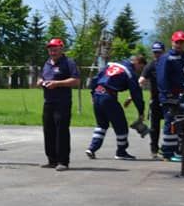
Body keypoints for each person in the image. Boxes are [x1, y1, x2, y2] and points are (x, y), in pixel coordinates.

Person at [84, 58, 145, 160]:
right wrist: (141, 111)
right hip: (108, 97)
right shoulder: (129, 72)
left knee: (101, 125)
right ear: (137, 63)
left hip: (98, 94)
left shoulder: (112, 65)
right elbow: (136, 93)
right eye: (141, 67)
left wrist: (92, 93)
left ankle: (92, 148)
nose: (140, 70)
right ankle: (121, 152)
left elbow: (96, 77)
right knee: (121, 125)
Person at [36, 38, 80, 171]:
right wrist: (40, 81)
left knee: (61, 131)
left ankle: (63, 161)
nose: (52, 51)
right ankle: (52, 159)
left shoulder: (69, 62)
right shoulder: (47, 63)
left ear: (61, 49)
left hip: (62, 102)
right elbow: (41, 76)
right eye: (50, 49)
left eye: (55, 49)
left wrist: (57, 84)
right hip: (48, 101)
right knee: (48, 130)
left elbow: (76, 80)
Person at [156, 31, 184, 160]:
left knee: (179, 122)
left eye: (181, 42)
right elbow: (162, 78)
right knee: (170, 122)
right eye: (177, 42)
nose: (179, 44)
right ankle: (167, 152)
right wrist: (168, 94)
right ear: (172, 42)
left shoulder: (183, 57)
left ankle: (175, 150)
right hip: (169, 96)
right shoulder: (166, 58)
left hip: (180, 94)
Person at [140, 43, 165, 157]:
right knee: (154, 126)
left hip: (169, 99)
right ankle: (154, 150)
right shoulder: (151, 65)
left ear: (163, 52)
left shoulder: (168, 63)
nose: (157, 54)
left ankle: (173, 148)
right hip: (155, 99)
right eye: (155, 52)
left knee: (174, 124)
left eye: (159, 52)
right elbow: (141, 79)